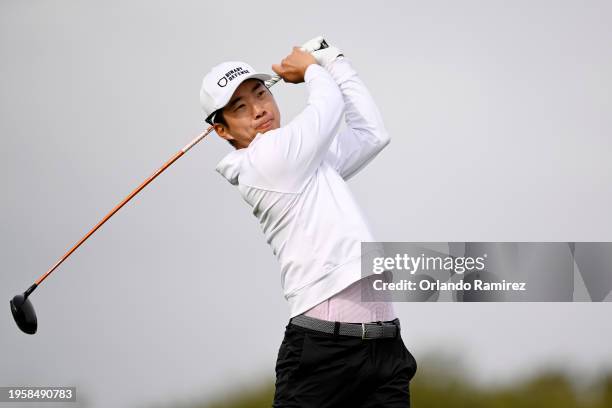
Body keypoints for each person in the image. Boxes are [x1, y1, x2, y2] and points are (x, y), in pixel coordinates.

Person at [199, 39, 417, 407]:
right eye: (240, 107)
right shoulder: (266, 160)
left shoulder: (303, 160)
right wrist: (312, 68)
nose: (258, 110)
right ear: (223, 130)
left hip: (385, 349)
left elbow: (371, 133)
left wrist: (335, 59)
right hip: (323, 355)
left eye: (260, 94)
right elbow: (327, 106)